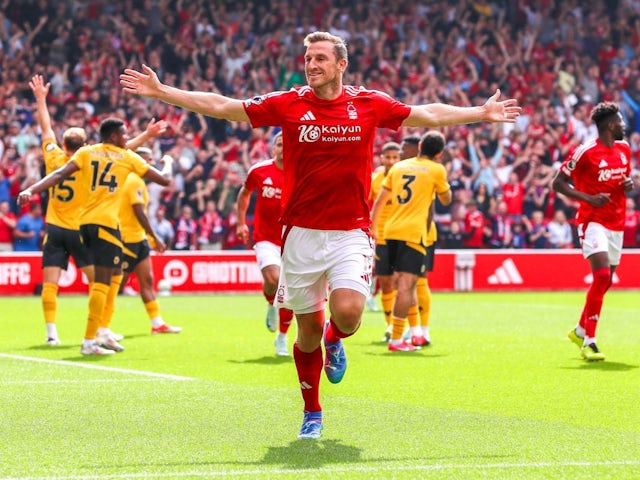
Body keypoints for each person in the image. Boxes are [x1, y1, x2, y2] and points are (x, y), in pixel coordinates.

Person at [120, 30, 520, 439]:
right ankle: (312, 411)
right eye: (308, 58)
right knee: (305, 330)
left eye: (320, 58)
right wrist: (162, 91)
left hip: (350, 232)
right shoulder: (290, 104)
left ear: (341, 65)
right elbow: (225, 107)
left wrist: (479, 112)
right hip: (300, 236)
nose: (311, 65)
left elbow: (426, 114)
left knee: (347, 314)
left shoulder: (368, 104)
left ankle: (336, 339)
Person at [29, 74, 168, 346]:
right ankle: (98, 331)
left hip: (56, 229)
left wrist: (41, 100)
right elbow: (122, 154)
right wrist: (147, 136)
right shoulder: (90, 156)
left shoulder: (54, 157)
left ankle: (52, 334)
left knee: (50, 285)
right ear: (82, 144)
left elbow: (46, 129)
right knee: (104, 282)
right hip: (84, 227)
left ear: (63, 145)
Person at [553, 102, 634, 361]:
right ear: (611, 125)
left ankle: (579, 330)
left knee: (606, 281)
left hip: (616, 223)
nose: (623, 125)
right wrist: (588, 198)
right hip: (592, 221)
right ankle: (590, 342)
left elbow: (623, 180)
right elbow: (558, 184)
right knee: (600, 277)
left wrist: (629, 183)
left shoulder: (624, 149)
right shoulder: (585, 152)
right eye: (620, 121)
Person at [371, 131, 452, 352]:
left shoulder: (399, 168)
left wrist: (372, 227)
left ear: (419, 148)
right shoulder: (436, 169)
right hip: (414, 233)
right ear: (439, 153)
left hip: (390, 230)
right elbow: (446, 199)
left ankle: (415, 333)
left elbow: (379, 201)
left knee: (402, 283)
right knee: (407, 285)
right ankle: (398, 339)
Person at [112, 146, 182, 335]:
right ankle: (102, 326)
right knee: (116, 285)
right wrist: (155, 237)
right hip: (127, 239)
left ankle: (157, 323)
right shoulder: (133, 181)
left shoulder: (137, 181)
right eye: (148, 160)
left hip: (138, 238)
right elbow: (139, 213)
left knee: (147, 280)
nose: (150, 164)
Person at [236, 132, 294, 356]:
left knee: (287, 290)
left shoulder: (301, 172)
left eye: (287, 145)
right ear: (273, 149)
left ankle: (282, 337)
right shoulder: (260, 171)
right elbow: (244, 193)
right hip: (266, 238)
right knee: (273, 280)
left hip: (294, 238)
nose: (283, 149)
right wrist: (241, 223)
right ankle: (271, 305)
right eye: (280, 145)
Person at [368, 141, 401, 342]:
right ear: (381, 158)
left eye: (395, 157)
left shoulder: (406, 177)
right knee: (387, 283)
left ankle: (402, 326)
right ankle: (390, 327)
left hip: (402, 233)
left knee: (401, 282)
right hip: (381, 236)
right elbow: (368, 203)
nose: (391, 161)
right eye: (387, 157)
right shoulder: (375, 179)